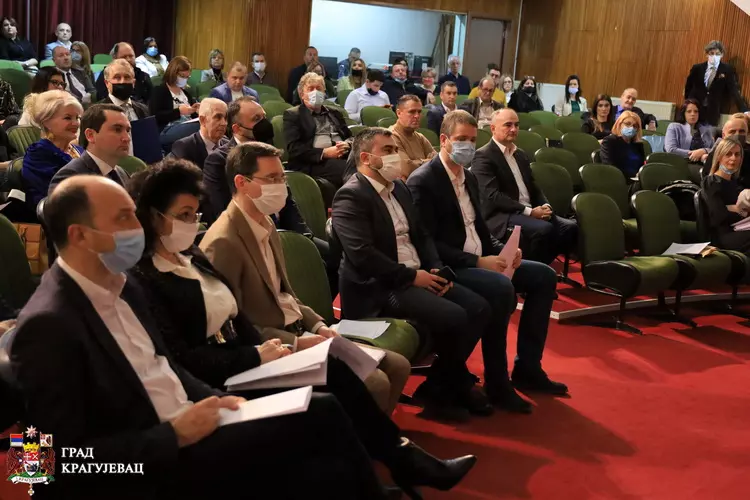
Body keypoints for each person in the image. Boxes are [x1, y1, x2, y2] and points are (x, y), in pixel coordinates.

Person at [10, 174, 397, 500]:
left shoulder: (122, 284)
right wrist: (171, 436)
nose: (138, 228)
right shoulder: (46, 325)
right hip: (153, 461)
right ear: (80, 235)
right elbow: (44, 464)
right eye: (124, 217)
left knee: (324, 417)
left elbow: (166, 366)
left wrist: (213, 398)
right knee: (321, 445)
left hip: (191, 420)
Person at [200, 143, 412, 415]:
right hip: (271, 346)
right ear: (242, 182)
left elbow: (285, 294)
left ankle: (373, 435)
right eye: (271, 178)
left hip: (300, 329)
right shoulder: (222, 242)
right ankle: (362, 440)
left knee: (398, 366)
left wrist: (318, 325)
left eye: (282, 177)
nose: (281, 186)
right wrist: (296, 342)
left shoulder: (265, 222)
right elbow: (233, 328)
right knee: (375, 382)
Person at [407, 110, 567, 412]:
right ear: (444, 140)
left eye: (472, 140)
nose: (468, 145)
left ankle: (528, 368)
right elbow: (427, 242)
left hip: (481, 257)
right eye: (461, 139)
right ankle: (497, 381)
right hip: (453, 264)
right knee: (500, 288)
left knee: (544, 276)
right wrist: (479, 262)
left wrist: (505, 251)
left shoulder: (468, 177)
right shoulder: (424, 180)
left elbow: (481, 229)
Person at [332, 127, 495, 422]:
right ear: (366, 158)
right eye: (388, 150)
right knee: (454, 316)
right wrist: (411, 277)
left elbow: (422, 235)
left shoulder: (400, 188)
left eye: (396, 149)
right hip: (381, 287)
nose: (396, 156)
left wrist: (434, 268)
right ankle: (447, 391)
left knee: (479, 307)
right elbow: (363, 256)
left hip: (417, 275)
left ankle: (439, 385)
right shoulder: (351, 196)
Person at [472, 108, 578, 265]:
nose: (513, 129)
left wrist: (545, 205)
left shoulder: (520, 154)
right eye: (508, 125)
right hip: (503, 215)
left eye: (516, 125)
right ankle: (530, 269)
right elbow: (493, 196)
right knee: (544, 229)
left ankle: (542, 265)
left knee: (570, 227)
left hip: (529, 211)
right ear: (493, 128)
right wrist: (529, 212)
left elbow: (533, 186)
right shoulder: (483, 156)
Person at [283, 72, 352, 206]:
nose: (315, 92)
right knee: (349, 170)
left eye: (319, 88)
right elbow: (294, 149)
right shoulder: (293, 115)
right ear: (302, 94)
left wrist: (347, 144)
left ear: (324, 92)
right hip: (314, 162)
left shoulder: (335, 113)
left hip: (343, 155)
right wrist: (324, 153)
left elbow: (351, 137)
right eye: (310, 89)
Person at [202, 97, 274, 224]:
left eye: (264, 117)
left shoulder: (270, 150)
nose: (264, 123)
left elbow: (287, 201)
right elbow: (223, 212)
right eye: (256, 119)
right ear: (237, 129)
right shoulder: (219, 161)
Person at [48, 103, 131, 194]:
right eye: (117, 130)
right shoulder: (70, 177)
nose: (127, 138)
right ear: (90, 135)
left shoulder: (123, 173)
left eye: (127, 131)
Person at [22, 90, 83, 209]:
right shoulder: (39, 154)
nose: (76, 123)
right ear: (46, 122)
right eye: (68, 118)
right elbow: (55, 197)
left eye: (77, 117)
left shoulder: (78, 150)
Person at [701, 136, 750, 252]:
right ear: (719, 157)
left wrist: (733, 209)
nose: (733, 158)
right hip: (723, 236)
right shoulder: (711, 182)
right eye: (728, 154)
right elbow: (718, 216)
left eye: (737, 154)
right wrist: (741, 212)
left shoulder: (737, 183)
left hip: (740, 229)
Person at [685, 40, 748, 127]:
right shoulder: (697, 68)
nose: (714, 56)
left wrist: (744, 109)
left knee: (708, 133)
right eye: (711, 53)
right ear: (707, 54)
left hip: (713, 111)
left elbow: (734, 91)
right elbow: (688, 87)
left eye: (717, 54)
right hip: (695, 109)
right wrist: (687, 104)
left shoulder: (727, 70)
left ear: (722, 55)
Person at [149, 56, 200, 148]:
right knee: (201, 127)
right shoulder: (160, 91)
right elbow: (155, 116)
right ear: (173, 73)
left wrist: (195, 110)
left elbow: (192, 117)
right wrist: (178, 112)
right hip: (166, 130)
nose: (184, 79)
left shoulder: (186, 94)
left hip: (186, 127)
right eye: (182, 76)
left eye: (187, 77)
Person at [170, 98, 228, 169]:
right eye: (218, 117)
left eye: (225, 118)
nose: (224, 123)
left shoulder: (228, 144)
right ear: (203, 120)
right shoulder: (184, 147)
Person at [389, 95, 436, 178]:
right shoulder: (391, 136)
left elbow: (438, 162)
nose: (417, 116)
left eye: (419, 112)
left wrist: (415, 162)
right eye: (412, 112)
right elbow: (407, 169)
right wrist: (427, 161)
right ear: (399, 113)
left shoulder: (420, 137)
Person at [600, 111, 647, 190]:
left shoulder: (638, 144)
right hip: (618, 182)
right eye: (627, 124)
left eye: (635, 126)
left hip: (637, 183)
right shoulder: (609, 141)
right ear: (619, 124)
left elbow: (642, 165)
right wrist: (632, 177)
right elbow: (609, 166)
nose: (631, 128)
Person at [702, 115, 750, 187]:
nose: (737, 134)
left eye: (741, 131)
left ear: (747, 133)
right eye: (732, 131)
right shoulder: (717, 152)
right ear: (724, 135)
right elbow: (707, 178)